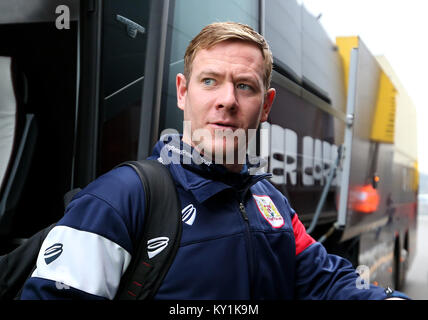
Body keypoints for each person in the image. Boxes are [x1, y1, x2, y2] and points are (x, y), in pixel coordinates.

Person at [20, 22, 408, 300]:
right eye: (209, 81)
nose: (227, 100)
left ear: (267, 105)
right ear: (182, 92)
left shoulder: (271, 204)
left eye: (244, 86)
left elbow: (325, 283)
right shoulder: (119, 200)